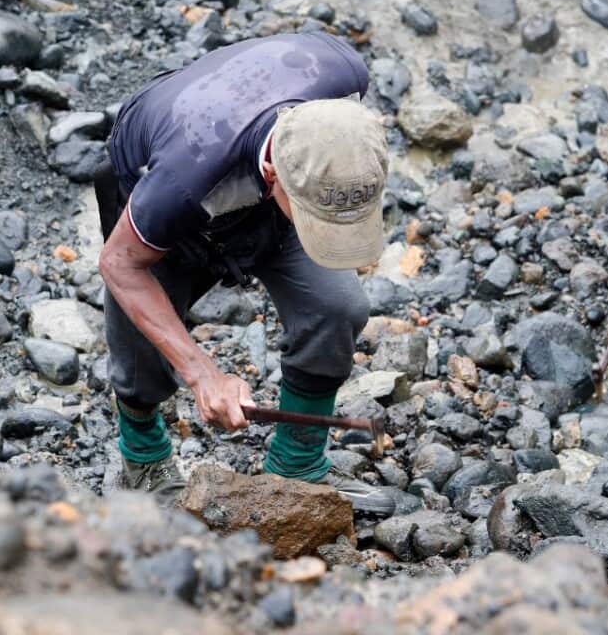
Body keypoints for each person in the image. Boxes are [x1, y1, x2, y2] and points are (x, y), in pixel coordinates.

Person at [95, 32, 399, 514]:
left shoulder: (345, 82)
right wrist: (202, 374)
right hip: (171, 184)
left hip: (267, 189)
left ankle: (298, 463)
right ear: (276, 178)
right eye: (312, 218)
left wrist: (326, 212)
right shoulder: (183, 176)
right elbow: (118, 263)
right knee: (142, 333)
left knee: (337, 306)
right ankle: (143, 456)